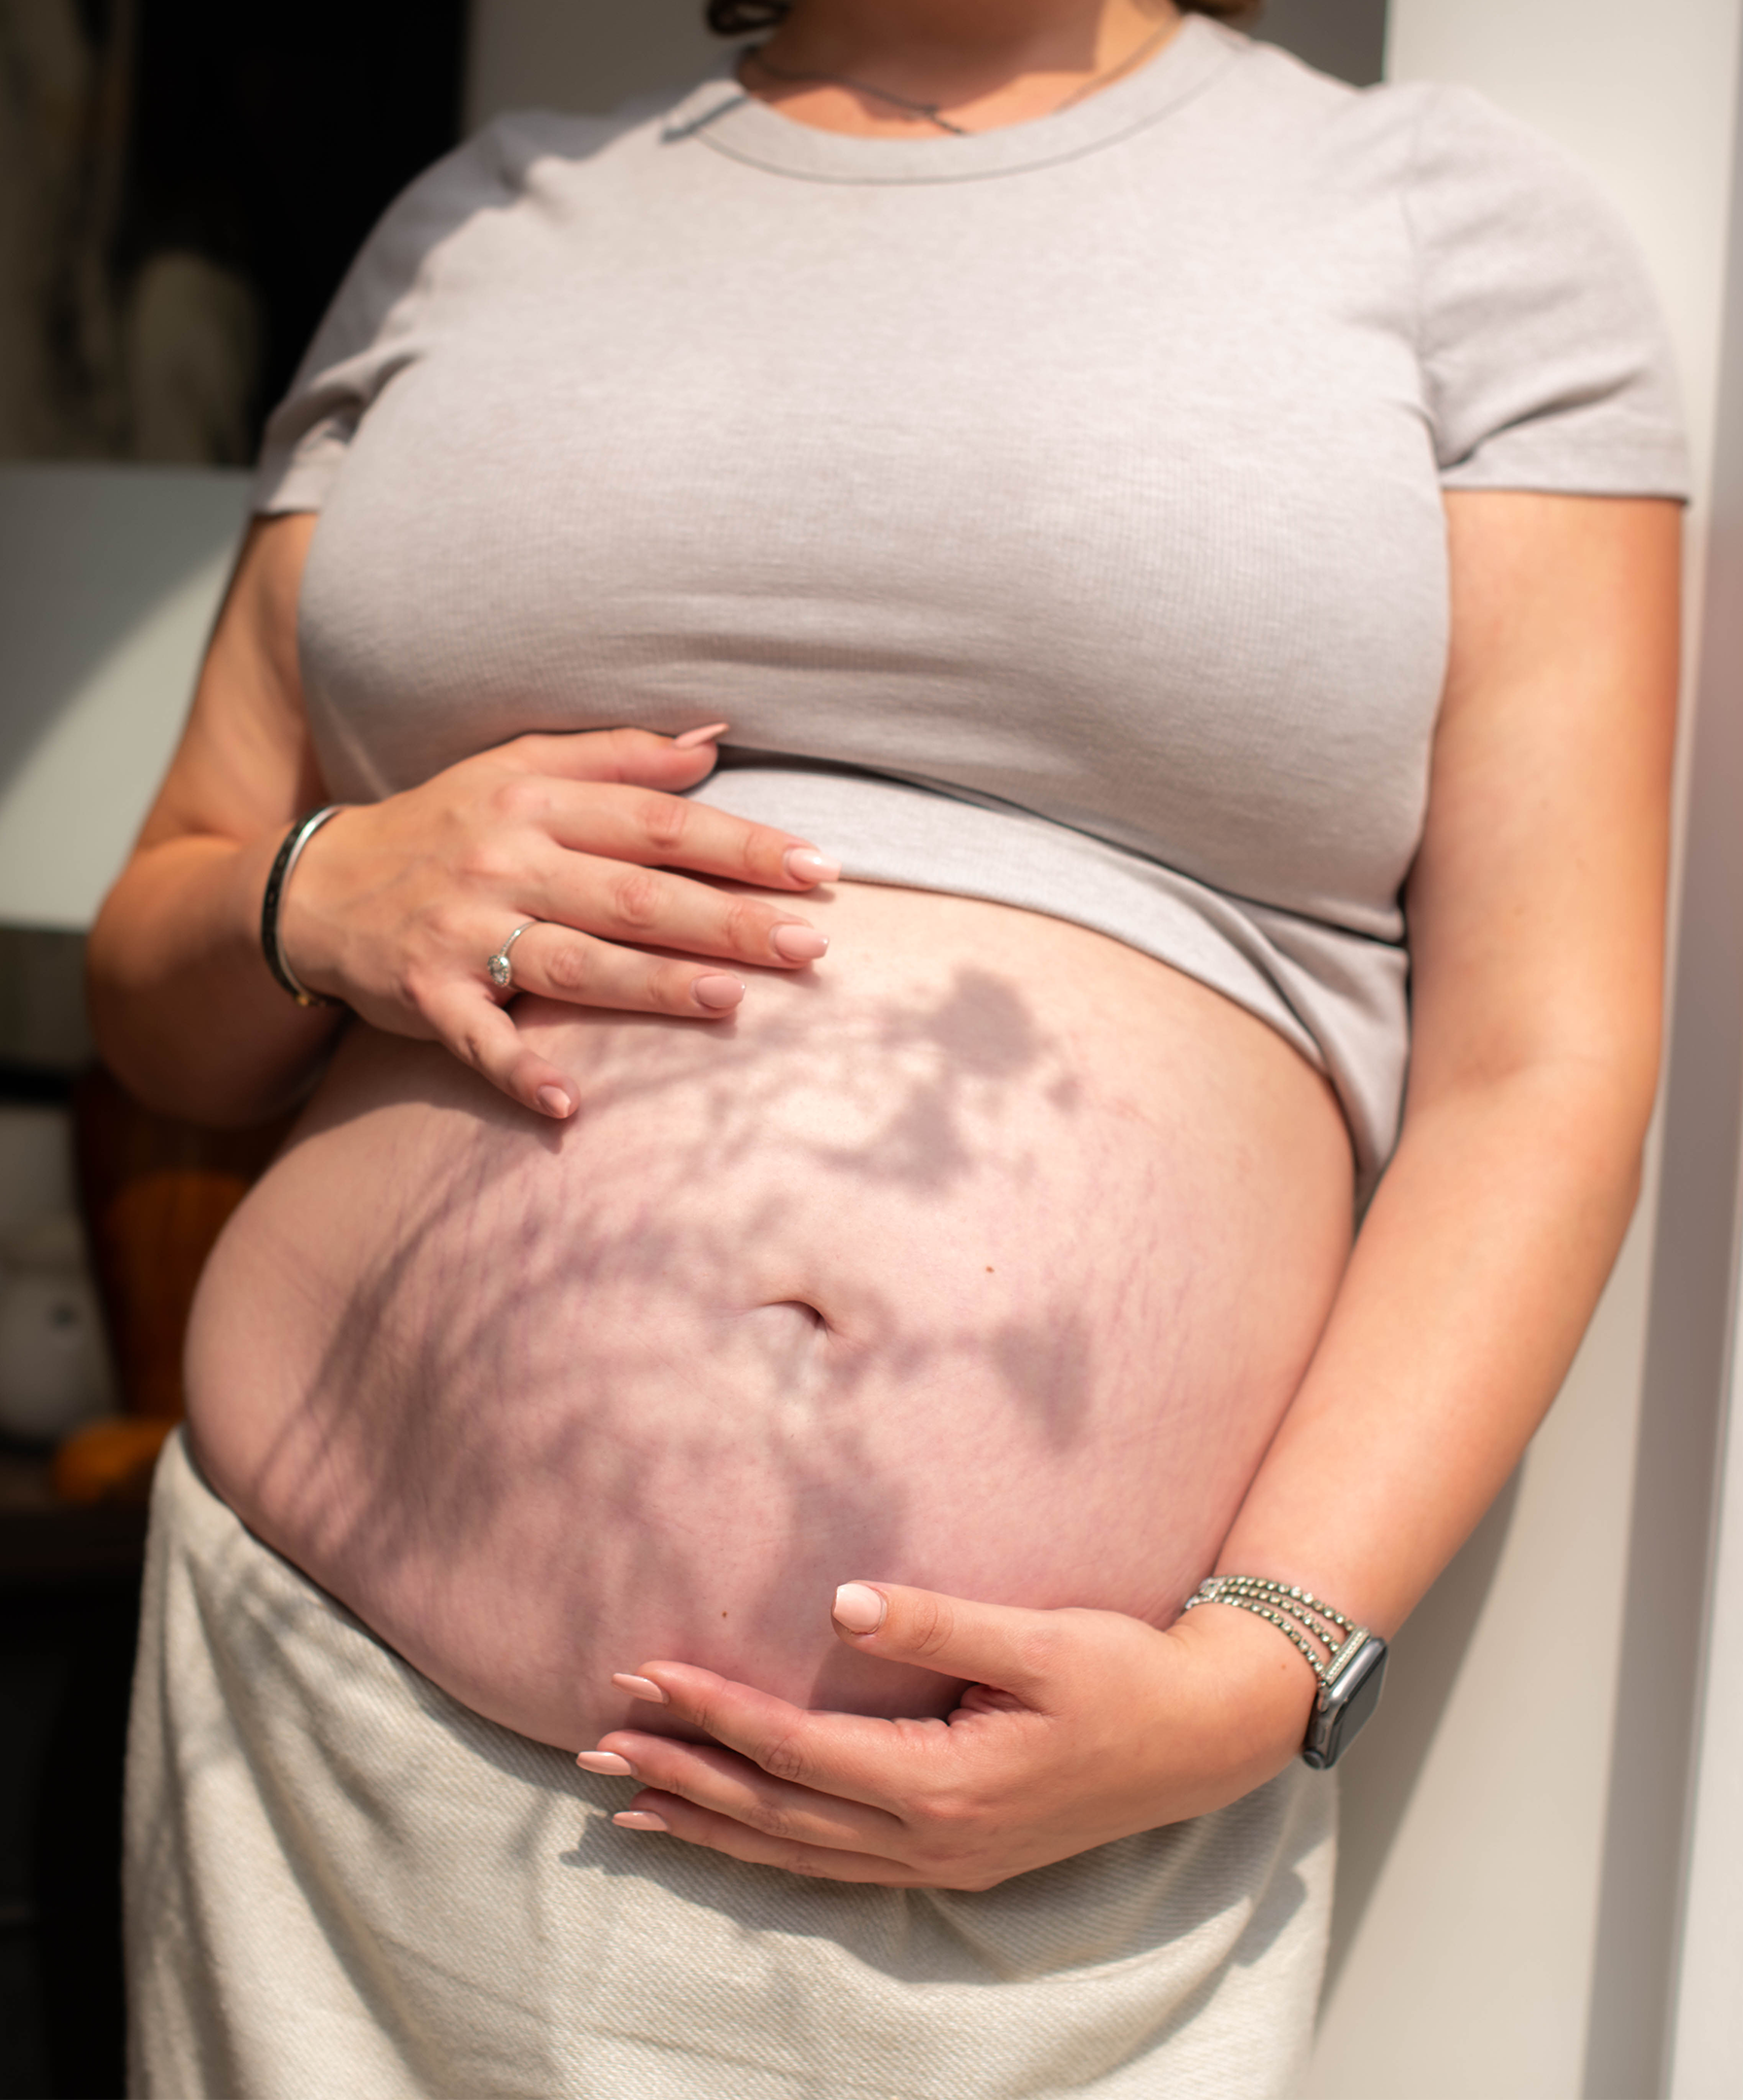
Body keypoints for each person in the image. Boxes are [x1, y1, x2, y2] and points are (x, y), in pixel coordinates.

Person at [90, 0, 1689, 2091]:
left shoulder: (1449, 233)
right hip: (327, 1745)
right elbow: (153, 981)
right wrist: (320, 891)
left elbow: (1540, 1064)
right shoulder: (484, 225)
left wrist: (1264, 1673)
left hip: (1006, 1886)